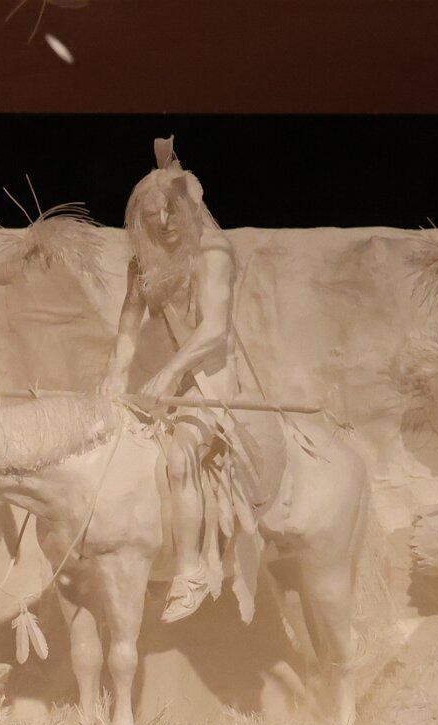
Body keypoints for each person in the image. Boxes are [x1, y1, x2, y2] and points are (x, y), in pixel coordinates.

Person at [102, 138, 258, 623]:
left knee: (182, 452)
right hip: (171, 385)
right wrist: (114, 376)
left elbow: (215, 330)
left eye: (171, 212)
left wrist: (170, 373)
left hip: (211, 381)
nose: (164, 222)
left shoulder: (213, 252)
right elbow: (128, 328)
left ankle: (189, 572)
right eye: (153, 216)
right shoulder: (144, 261)